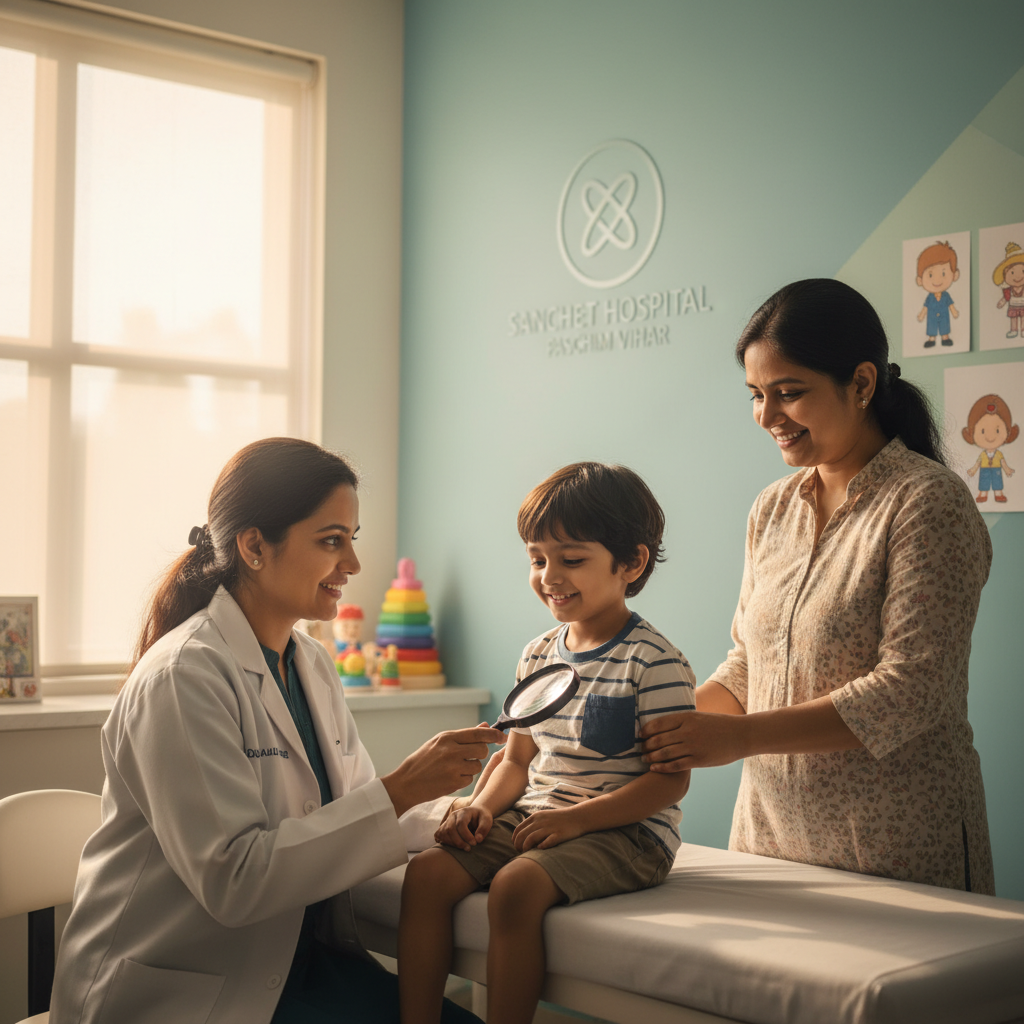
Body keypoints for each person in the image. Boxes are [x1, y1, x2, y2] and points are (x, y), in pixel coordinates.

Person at [50, 437, 505, 1024]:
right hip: (186, 990)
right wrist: (402, 790)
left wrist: (443, 816)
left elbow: (350, 808)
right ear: (254, 547)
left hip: (299, 966)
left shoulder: (309, 662)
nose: (354, 565)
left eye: (352, 540)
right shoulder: (183, 675)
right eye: (331, 540)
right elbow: (236, 881)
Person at [641, 279, 995, 894]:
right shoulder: (772, 509)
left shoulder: (926, 502)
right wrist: (656, 723)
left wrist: (742, 736)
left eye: (788, 393)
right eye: (755, 395)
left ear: (861, 384)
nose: (767, 416)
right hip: (769, 842)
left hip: (894, 847)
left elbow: (912, 690)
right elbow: (749, 665)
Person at [398, 463, 695, 1024]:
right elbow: (517, 759)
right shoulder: (537, 655)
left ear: (630, 563)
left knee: (516, 886)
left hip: (626, 832)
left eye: (572, 559)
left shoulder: (655, 661)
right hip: (538, 813)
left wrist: (578, 821)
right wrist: (478, 807)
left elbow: (669, 781)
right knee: (428, 873)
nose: (549, 575)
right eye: (537, 559)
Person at [915, 239, 960, 347]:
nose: (937, 280)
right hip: (932, 317)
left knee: (945, 326)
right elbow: (925, 307)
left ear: (954, 275)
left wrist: (954, 312)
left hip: (944, 316)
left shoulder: (946, 296)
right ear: (920, 280)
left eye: (943, 273)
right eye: (930, 275)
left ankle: (945, 338)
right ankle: (931, 339)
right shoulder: (929, 297)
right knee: (932, 327)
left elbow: (951, 305)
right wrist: (921, 315)